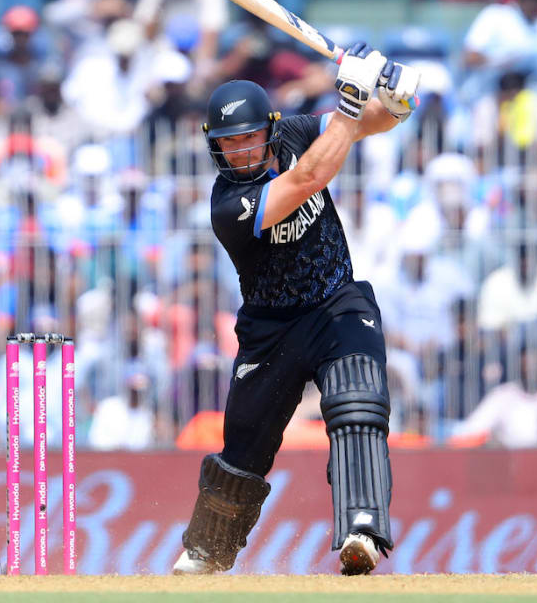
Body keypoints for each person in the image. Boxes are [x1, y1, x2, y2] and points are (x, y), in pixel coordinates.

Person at [172, 43, 422, 577]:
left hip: (336, 301)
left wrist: (397, 101)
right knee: (243, 449)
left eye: (248, 138)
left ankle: (362, 529)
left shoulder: (296, 133)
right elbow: (308, 179)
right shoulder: (226, 206)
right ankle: (206, 553)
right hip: (272, 329)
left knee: (358, 401)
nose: (240, 152)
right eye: (228, 144)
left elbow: (364, 125)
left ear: (271, 128)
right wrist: (351, 100)